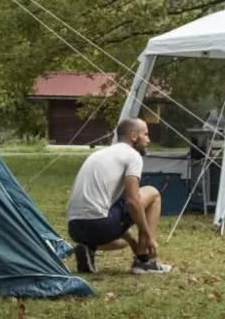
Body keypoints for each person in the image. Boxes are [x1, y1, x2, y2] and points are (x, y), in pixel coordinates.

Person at [67, 117, 173, 275]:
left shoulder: (101, 153)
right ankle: (144, 261)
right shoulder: (132, 156)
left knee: (123, 241)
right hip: (100, 225)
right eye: (146, 134)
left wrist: (132, 240)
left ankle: (88, 249)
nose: (149, 140)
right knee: (152, 193)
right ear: (134, 136)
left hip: (75, 228)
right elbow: (132, 201)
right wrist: (148, 236)